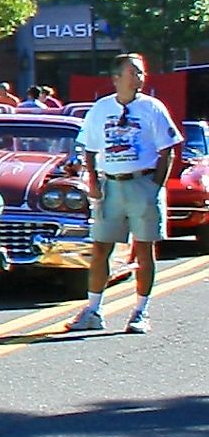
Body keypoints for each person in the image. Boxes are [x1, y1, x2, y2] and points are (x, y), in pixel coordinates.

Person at [72, 53, 180, 334]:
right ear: (116, 78)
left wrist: (155, 185)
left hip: (142, 184)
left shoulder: (152, 108)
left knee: (144, 249)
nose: (139, 78)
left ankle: (140, 312)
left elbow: (167, 149)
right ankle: (93, 310)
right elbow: (90, 148)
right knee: (100, 249)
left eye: (142, 73)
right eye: (133, 73)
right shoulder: (100, 109)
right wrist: (94, 180)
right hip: (111, 186)